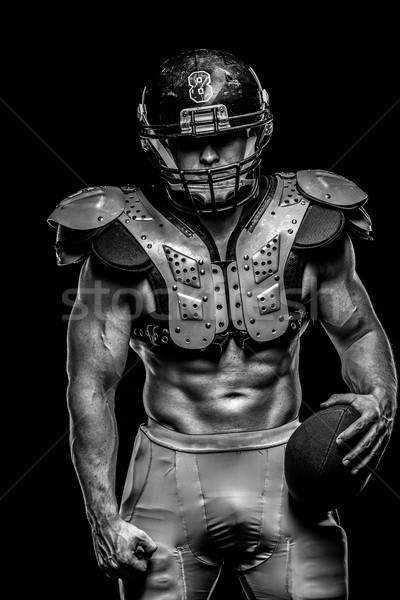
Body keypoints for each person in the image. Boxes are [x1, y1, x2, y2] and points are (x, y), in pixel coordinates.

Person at [48, 49, 397, 600]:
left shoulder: (310, 222)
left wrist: (379, 396)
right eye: (189, 143)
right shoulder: (118, 241)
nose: (209, 156)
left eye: (226, 136)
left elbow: (359, 332)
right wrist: (103, 515)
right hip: (169, 475)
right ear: (160, 146)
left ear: (257, 134)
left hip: (291, 476)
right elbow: (92, 385)